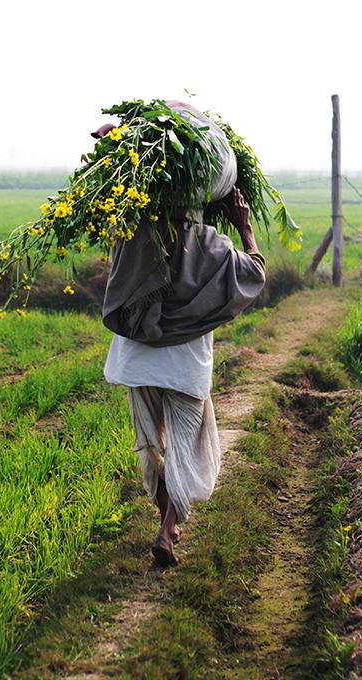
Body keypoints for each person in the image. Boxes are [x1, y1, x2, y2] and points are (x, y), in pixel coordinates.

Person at [99, 102, 267, 567]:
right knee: (186, 444)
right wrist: (245, 228)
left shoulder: (134, 235)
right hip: (185, 364)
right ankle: (168, 529)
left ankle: (167, 523)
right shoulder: (210, 244)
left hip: (137, 359)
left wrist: (115, 141)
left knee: (152, 443)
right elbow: (254, 273)